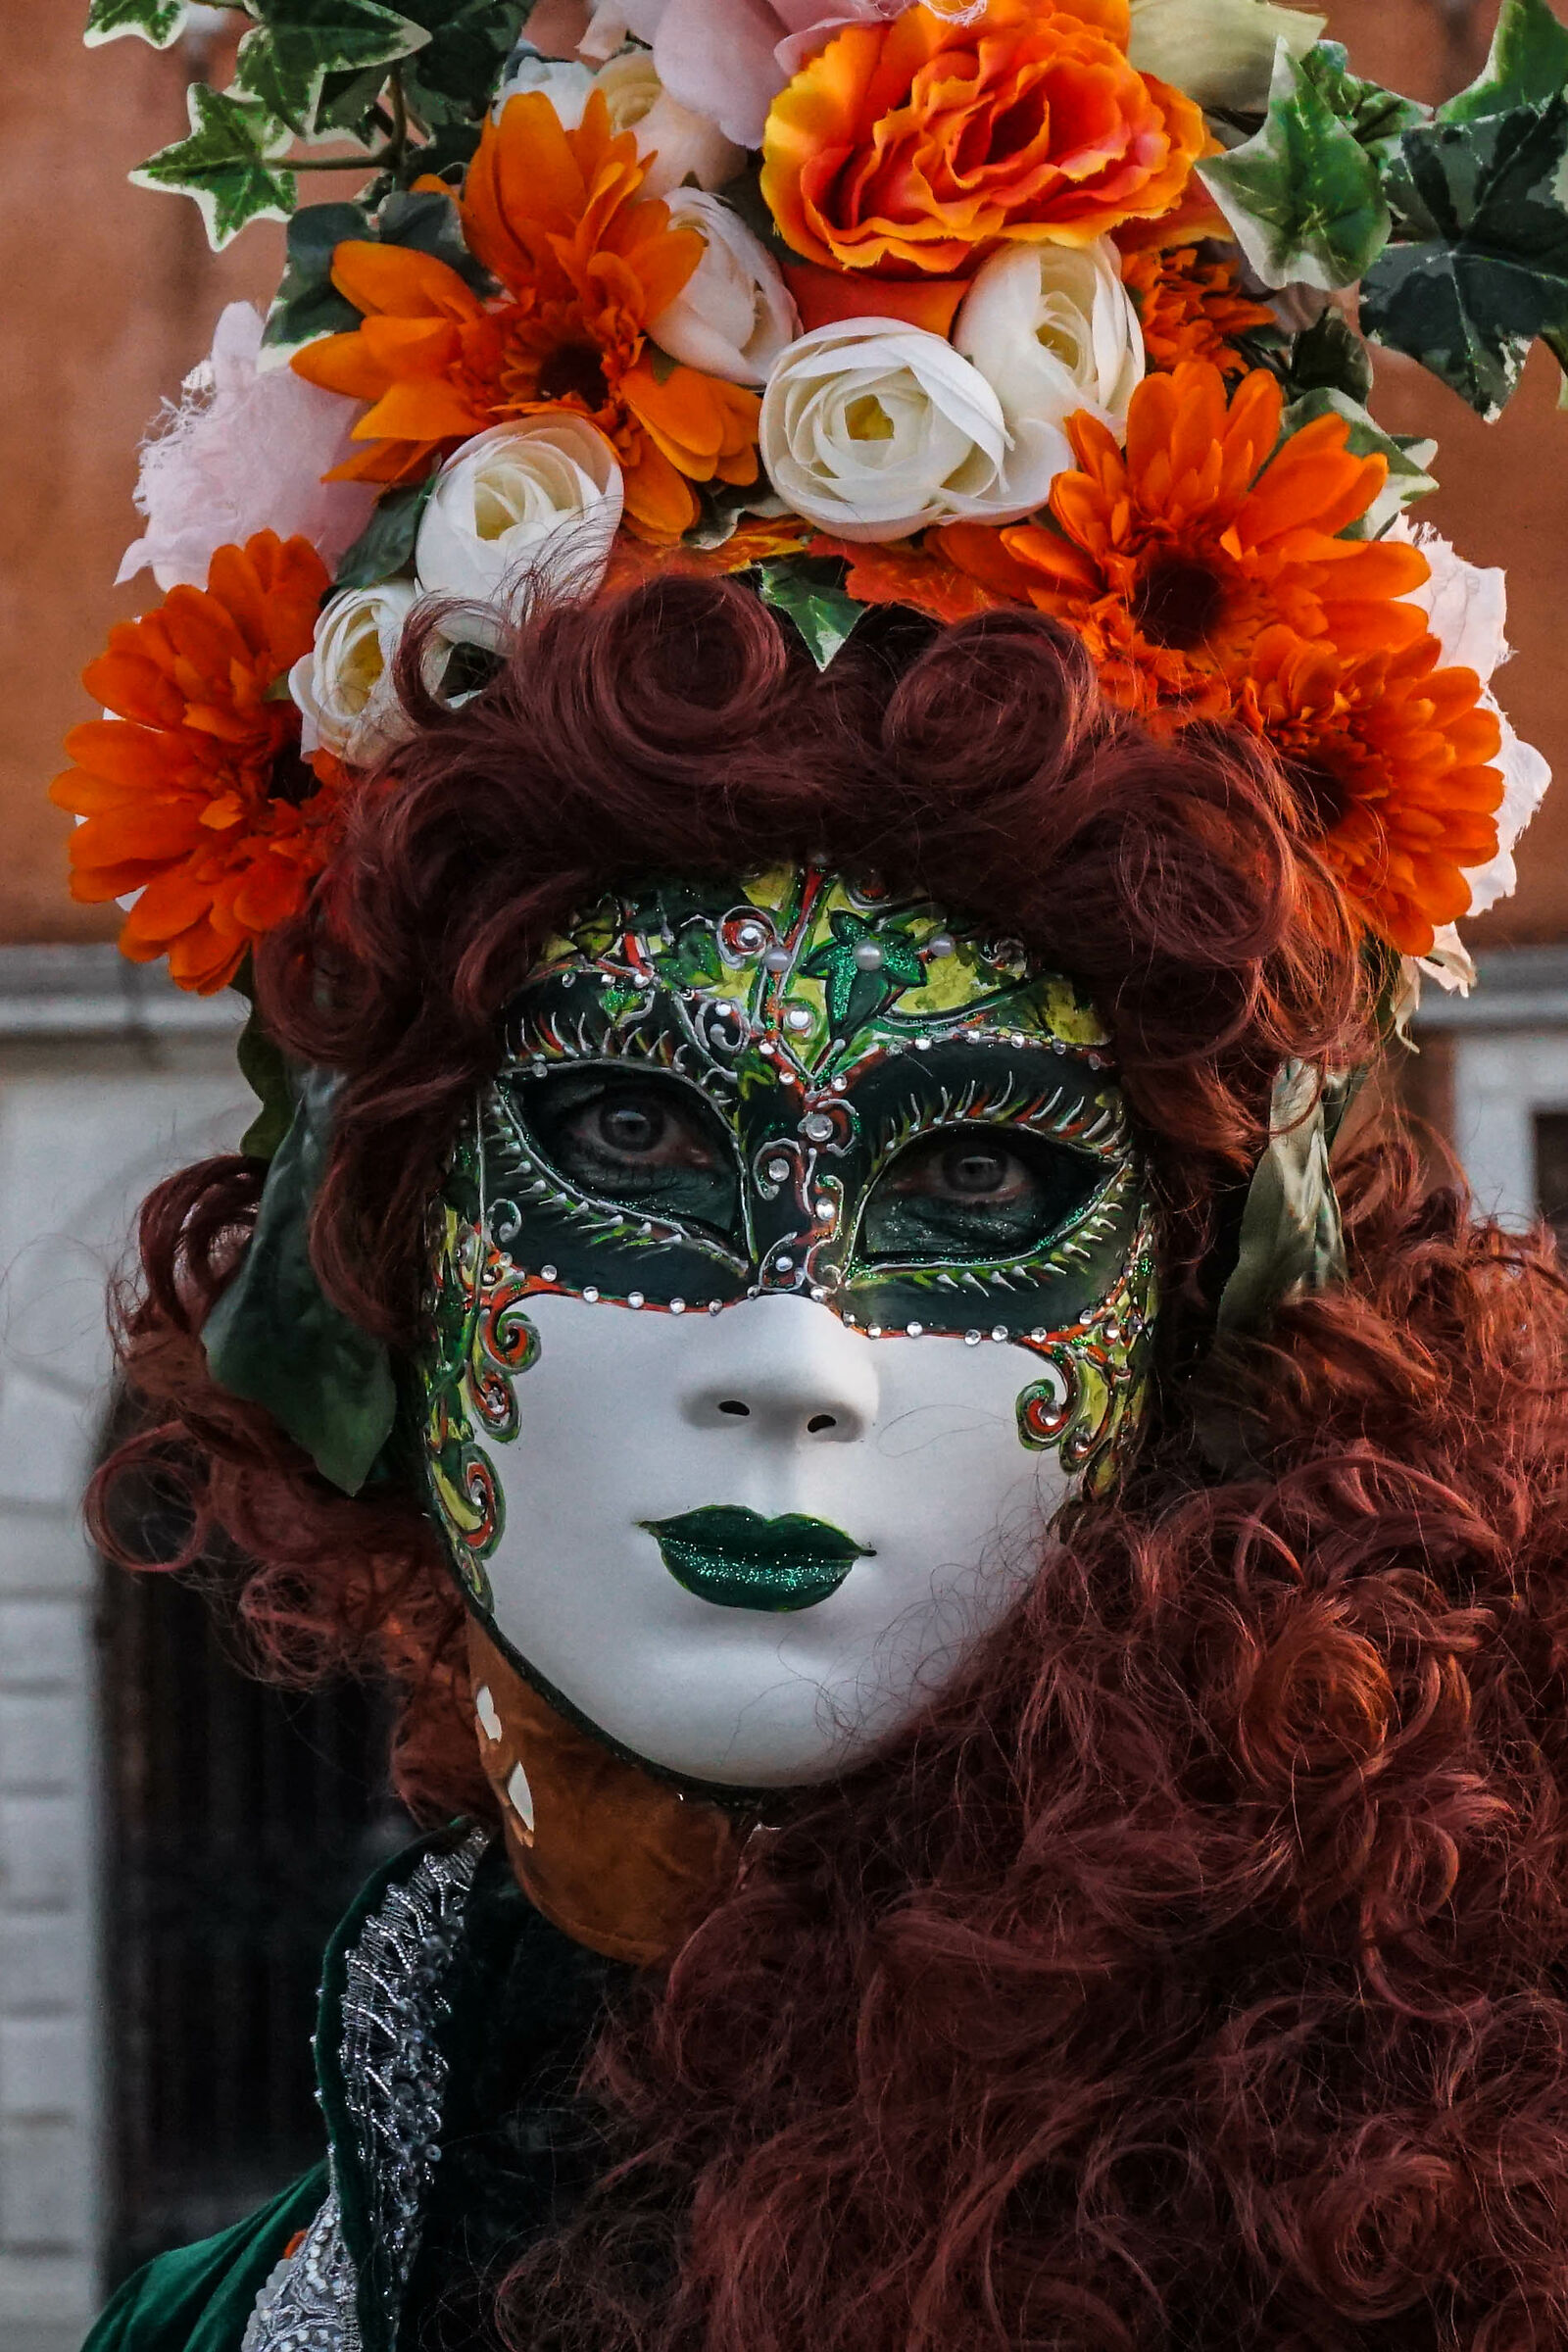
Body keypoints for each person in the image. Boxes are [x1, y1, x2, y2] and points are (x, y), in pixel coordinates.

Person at [56, 0, 1568, 2342]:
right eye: (631, 1138)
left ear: (1190, 1304)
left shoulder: (1448, 2205)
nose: (793, 1359)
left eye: (975, 1191)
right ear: (399, 1239)